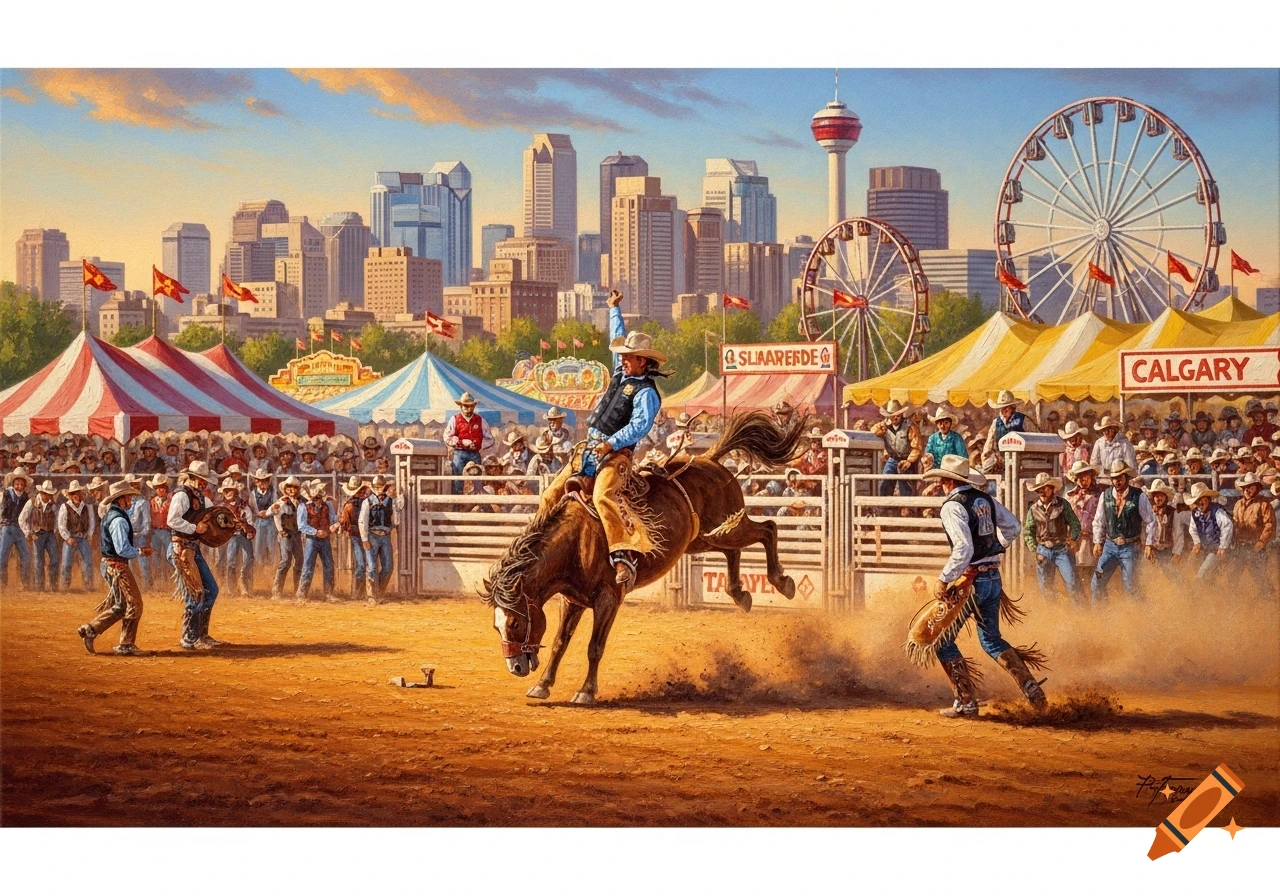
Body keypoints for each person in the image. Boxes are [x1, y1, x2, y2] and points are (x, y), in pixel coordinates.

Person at [535, 288, 665, 590]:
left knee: (603, 495)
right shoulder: (622, 375)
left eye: (629, 358)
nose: (622, 361)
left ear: (643, 362)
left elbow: (639, 427)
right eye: (623, 357)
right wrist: (613, 309)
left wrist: (611, 443)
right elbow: (615, 340)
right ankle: (536, 544)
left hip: (615, 455)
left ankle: (624, 555)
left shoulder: (647, 393)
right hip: (590, 449)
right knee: (550, 495)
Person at [921, 454, 1043, 718]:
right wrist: (995, 548)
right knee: (991, 639)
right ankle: (1028, 683)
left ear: (946, 480)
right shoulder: (984, 499)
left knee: (942, 640)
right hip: (992, 578)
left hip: (970, 582)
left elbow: (963, 548)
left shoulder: (952, 506)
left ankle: (966, 700)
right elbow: (1013, 527)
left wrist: (944, 578)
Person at [76, 480, 152, 656]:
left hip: (111, 565)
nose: (131, 501)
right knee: (134, 604)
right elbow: (122, 549)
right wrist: (141, 551)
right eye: (129, 498)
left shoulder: (112, 515)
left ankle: (91, 629)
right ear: (121, 499)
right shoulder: (118, 519)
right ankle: (126, 644)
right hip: (117, 566)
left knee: (121, 605)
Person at [167, 462, 223, 650]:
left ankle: (201, 634)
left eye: (204, 481)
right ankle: (189, 637)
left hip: (192, 547)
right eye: (200, 480)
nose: (203, 483)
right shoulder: (182, 495)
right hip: (181, 547)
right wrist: (194, 528)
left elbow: (212, 515)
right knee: (195, 592)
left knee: (211, 590)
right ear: (191, 478)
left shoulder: (202, 498)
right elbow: (172, 520)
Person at [1091, 459, 1157, 601]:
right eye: (1114, 478)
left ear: (1126, 478)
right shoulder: (1106, 495)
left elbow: (1151, 521)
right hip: (1110, 545)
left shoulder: (1139, 496)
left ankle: (1138, 616)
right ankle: (1100, 614)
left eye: (1119, 478)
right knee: (1097, 581)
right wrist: (1097, 541)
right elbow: (1098, 520)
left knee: (1130, 587)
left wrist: (1149, 544)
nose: (1117, 482)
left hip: (1131, 546)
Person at [1022, 471, 1082, 599]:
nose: (1041, 492)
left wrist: (1072, 539)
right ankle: (1052, 612)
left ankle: (1081, 612)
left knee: (1072, 582)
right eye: (1039, 490)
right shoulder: (1033, 509)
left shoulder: (1063, 504)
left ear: (1052, 489)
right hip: (1043, 549)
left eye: (1044, 488)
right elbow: (1028, 531)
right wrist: (1035, 549)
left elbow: (1075, 524)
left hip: (1062, 548)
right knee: (1046, 587)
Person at [1231, 472, 1275, 589]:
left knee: (1260, 577)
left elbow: (1269, 525)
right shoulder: (1238, 504)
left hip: (1256, 546)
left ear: (1257, 488)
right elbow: (1235, 523)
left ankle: (1269, 599)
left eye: (1250, 487)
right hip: (1240, 545)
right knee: (1232, 576)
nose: (1247, 490)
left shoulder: (1264, 504)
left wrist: (1261, 542)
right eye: (1245, 488)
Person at [870, 399, 922, 499]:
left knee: (906, 486)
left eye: (898, 415)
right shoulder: (884, 426)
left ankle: (907, 509)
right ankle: (885, 507)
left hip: (906, 459)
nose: (895, 417)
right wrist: (880, 429)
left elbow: (916, 447)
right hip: (892, 459)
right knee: (885, 483)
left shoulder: (910, 426)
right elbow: (873, 431)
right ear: (888, 416)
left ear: (901, 414)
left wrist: (909, 461)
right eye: (893, 415)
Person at [297, 479, 337, 600]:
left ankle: (328, 593)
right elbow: (301, 525)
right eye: (317, 496)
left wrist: (333, 527)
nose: (319, 498)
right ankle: (302, 593)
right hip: (312, 539)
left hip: (325, 538)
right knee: (308, 565)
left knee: (329, 565)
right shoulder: (303, 506)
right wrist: (315, 532)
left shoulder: (328, 505)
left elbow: (333, 519)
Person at [19, 479, 61, 592]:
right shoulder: (32, 502)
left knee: (55, 559)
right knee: (39, 561)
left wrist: (54, 530)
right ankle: (39, 587)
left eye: (49, 494)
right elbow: (22, 518)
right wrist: (29, 533)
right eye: (45, 493)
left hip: (50, 534)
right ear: (41, 493)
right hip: (37, 534)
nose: (47, 496)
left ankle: (53, 586)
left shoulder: (53, 505)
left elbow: (57, 519)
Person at [359, 474, 398, 598]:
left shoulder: (392, 501)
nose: (380, 493)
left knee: (388, 567)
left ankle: (379, 591)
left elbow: (396, 520)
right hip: (372, 535)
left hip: (385, 536)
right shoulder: (367, 502)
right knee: (372, 567)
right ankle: (371, 595)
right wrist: (365, 538)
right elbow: (362, 521)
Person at [444, 392, 491, 495]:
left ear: (473, 406)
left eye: (470, 406)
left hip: (474, 454)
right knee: (457, 477)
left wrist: (478, 444)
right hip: (459, 453)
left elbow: (490, 439)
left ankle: (479, 501)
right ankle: (458, 502)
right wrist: (459, 442)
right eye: (465, 406)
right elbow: (447, 437)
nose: (468, 409)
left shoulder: (480, 420)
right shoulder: (455, 419)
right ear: (461, 406)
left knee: (478, 478)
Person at [1186, 482, 1233, 581]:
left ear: (1208, 499)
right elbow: (1192, 528)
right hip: (1207, 548)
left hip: (1217, 550)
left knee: (1202, 575)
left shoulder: (1217, 511)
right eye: (1197, 501)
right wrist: (1197, 542)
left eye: (1202, 500)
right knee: (1209, 576)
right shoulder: (1196, 513)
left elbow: (1227, 525)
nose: (1200, 503)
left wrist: (1223, 546)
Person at [981, 390, 1038, 471]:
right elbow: (988, 446)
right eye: (1003, 408)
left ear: (1013, 407)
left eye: (1008, 408)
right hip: (1002, 466)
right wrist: (987, 461)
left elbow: (1036, 438)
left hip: (1022, 465)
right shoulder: (996, 423)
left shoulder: (1023, 420)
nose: (1005, 410)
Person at [217, 481, 256, 598]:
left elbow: (250, 521)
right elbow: (218, 523)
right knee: (231, 561)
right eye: (226, 491)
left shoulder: (244, 506)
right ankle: (231, 588)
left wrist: (246, 527)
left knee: (249, 559)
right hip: (229, 537)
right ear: (223, 493)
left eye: (231, 491)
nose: (228, 493)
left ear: (235, 492)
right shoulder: (221, 508)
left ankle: (245, 585)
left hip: (243, 535)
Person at [57, 480, 96, 591]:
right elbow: (61, 525)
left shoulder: (88, 507)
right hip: (70, 538)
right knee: (66, 563)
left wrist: (90, 534)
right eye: (74, 493)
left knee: (87, 562)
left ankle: (88, 586)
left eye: (79, 493)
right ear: (70, 495)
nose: (77, 496)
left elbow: (91, 522)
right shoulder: (65, 507)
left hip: (83, 537)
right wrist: (68, 537)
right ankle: (65, 586)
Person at [271, 476, 305, 599]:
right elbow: (275, 515)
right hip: (285, 534)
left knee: (299, 561)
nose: (292, 490)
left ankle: (298, 590)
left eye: (294, 487)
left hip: (296, 534)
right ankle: (277, 590)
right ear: (285, 489)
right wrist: (280, 530)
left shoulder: (302, 501)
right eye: (289, 487)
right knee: (285, 561)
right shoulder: (281, 501)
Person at [338, 475, 371, 598]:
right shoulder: (349, 506)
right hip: (356, 536)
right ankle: (358, 591)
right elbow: (345, 522)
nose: (360, 493)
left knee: (366, 563)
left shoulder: (366, 502)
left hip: (366, 535)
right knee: (361, 563)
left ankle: (362, 591)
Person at [1, 467, 33, 589]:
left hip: (20, 530)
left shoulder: (26, 497)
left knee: (26, 558)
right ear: (13, 483)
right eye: (17, 483)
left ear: (25, 485)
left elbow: (27, 516)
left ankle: (24, 583)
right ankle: (2, 585)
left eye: (21, 484)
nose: (19, 486)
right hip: (7, 528)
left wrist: (27, 531)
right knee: (2, 558)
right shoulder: (5, 494)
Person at [1145, 479, 1184, 566]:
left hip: (1167, 549)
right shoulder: (1150, 512)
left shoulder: (1172, 513)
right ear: (1153, 498)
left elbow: (1178, 533)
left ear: (1165, 497)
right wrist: (1148, 545)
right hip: (1152, 549)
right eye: (1156, 496)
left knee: (1169, 571)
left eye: (1161, 496)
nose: (1159, 498)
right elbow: (1148, 531)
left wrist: (1177, 552)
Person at [146, 473, 173, 590]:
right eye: (158, 488)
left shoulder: (171, 501)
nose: (160, 490)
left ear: (166, 488)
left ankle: (171, 581)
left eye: (162, 487)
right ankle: (159, 580)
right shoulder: (151, 502)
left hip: (167, 531)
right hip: (155, 531)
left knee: (169, 556)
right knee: (156, 555)